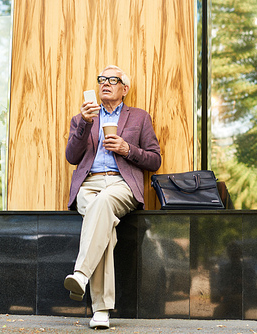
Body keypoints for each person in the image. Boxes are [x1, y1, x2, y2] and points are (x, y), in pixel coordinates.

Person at [64, 65, 161, 329]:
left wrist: (128, 149)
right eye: (101, 79)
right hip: (89, 184)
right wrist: (84, 124)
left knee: (104, 203)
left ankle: (81, 274)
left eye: (112, 80)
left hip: (121, 184)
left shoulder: (139, 118)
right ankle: (102, 311)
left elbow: (154, 159)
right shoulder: (84, 118)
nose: (105, 83)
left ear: (124, 88)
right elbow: (72, 157)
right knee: (103, 221)